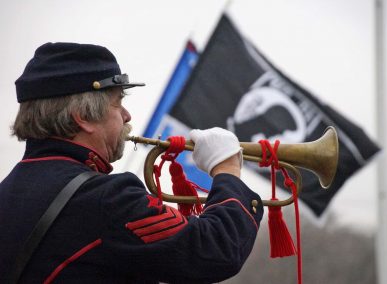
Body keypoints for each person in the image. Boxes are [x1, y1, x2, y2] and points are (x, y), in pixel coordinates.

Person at [0, 42, 263, 283]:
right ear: (83, 117)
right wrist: (227, 169)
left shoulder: (7, 192)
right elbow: (216, 249)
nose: (126, 116)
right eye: (118, 103)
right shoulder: (107, 199)